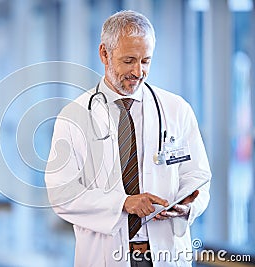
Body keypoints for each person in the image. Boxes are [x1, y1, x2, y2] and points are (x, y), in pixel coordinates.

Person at [45, 10, 211, 267]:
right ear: (104, 54)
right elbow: (61, 193)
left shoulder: (177, 109)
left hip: (166, 254)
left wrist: (188, 205)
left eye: (146, 61)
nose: (138, 71)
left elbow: (199, 176)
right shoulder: (73, 117)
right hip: (104, 256)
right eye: (129, 60)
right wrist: (124, 203)